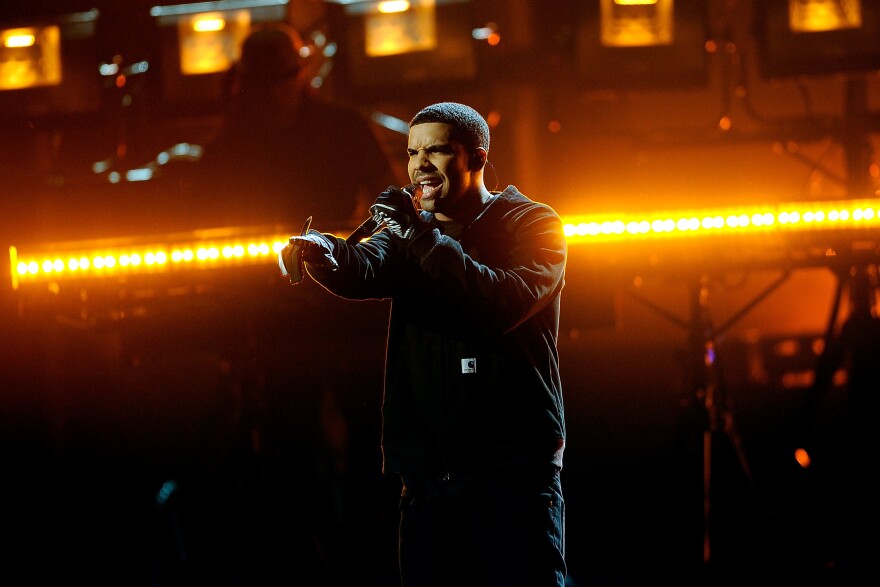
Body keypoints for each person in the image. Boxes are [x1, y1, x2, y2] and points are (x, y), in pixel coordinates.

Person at [279, 101, 569, 586]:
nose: (420, 166)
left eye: (436, 151)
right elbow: (362, 265)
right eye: (413, 152)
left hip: (511, 471)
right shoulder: (408, 234)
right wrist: (323, 251)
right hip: (428, 480)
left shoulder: (532, 225)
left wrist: (418, 234)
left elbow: (499, 299)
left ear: (475, 158)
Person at [192, 23, 400, 230]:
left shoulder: (345, 128)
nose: (273, 92)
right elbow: (203, 218)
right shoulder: (224, 151)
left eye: (281, 79)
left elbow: (391, 201)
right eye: (262, 83)